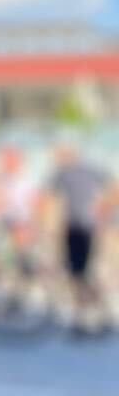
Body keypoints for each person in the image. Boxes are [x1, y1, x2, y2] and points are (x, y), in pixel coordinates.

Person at [44, 137, 115, 336]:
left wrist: (104, 210)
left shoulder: (70, 172)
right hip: (80, 227)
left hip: (82, 227)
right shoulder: (78, 171)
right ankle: (92, 314)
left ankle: (88, 315)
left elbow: (48, 200)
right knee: (80, 272)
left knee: (80, 273)